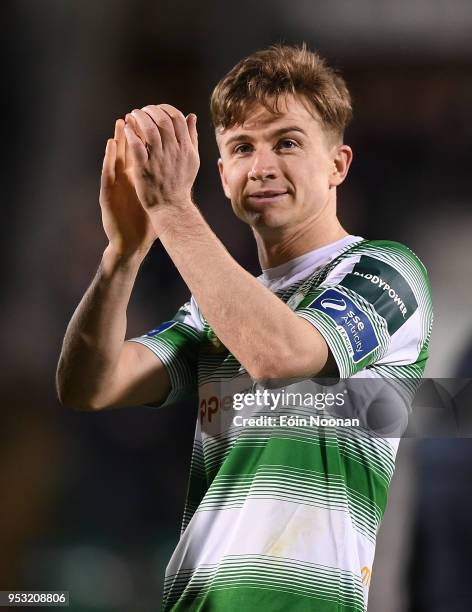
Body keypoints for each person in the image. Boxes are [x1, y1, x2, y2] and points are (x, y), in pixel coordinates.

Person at [57, 44, 433, 611]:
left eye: (287, 142)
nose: (262, 166)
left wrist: (173, 211)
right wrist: (123, 255)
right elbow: (91, 385)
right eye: (241, 147)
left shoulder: (386, 269)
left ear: (337, 164)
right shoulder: (215, 308)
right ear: (224, 173)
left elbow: (279, 354)